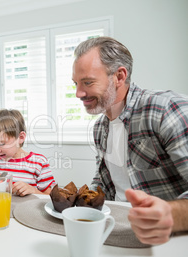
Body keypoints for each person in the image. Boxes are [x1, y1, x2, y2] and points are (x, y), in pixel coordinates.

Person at [72, 36, 188, 245]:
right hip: (118, 228)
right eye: (76, 83)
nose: (78, 93)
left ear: (119, 76)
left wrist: (172, 215)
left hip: (170, 239)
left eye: (87, 82)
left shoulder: (166, 110)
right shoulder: (100, 128)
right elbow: (104, 182)